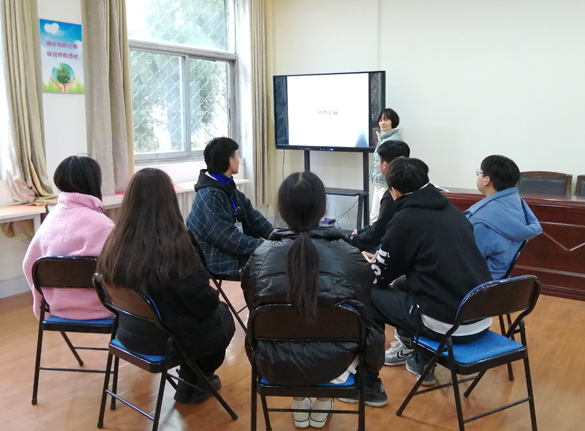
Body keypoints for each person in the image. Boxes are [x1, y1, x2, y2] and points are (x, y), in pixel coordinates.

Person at [242, 172, 386, 427]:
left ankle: (299, 401)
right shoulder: (349, 255)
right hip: (338, 364)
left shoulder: (260, 256)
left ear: (281, 210)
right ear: (324, 210)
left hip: (275, 363)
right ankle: (322, 401)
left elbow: (254, 304)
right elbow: (364, 306)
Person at [97, 168, 235, 404]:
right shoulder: (176, 246)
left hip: (127, 333)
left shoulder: (115, 242)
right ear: (169, 202)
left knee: (192, 316)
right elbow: (202, 302)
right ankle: (197, 380)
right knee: (221, 315)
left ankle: (192, 380)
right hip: (166, 341)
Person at [364, 157, 491, 386]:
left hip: (450, 328)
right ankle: (417, 354)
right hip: (481, 316)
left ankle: (370, 380)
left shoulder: (405, 219)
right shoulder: (453, 211)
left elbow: (378, 277)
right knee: (402, 284)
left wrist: (361, 265)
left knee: (367, 293)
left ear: (394, 190)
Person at [23, 155, 113, 320]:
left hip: (57, 309)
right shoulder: (103, 225)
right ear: (95, 181)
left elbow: (29, 264)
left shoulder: (50, 221)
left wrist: (42, 301)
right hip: (104, 308)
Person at [187, 137, 273, 276]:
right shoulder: (209, 196)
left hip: (230, 250)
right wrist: (267, 246)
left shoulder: (227, 186)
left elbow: (254, 218)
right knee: (273, 263)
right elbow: (228, 238)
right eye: (236, 157)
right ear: (230, 160)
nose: (238, 161)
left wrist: (278, 237)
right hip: (218, 259)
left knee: (277, 257)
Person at [465, 155, 542, 279]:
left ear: (486, 180)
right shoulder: (516, 203)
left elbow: (463, 261)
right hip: (498, 279)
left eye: (479, 173)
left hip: (477, 282)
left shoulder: (482, 220)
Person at [350, 140, 410, 251]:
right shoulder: (411, 184)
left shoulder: (393, 193)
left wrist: (353, 239)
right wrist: (361, 231)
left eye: (379, 160)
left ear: (385, 165)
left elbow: (378, 233)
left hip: (398, 249)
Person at [370, 108, 402, 224]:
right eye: (380, 120)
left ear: (393, 121)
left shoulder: (394, 140)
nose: (382, 123)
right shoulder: (383, 138)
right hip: (379, 183)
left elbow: (393, 165)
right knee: (375, 216)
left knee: (382, 218)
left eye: (386, 120)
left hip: (386, 184)